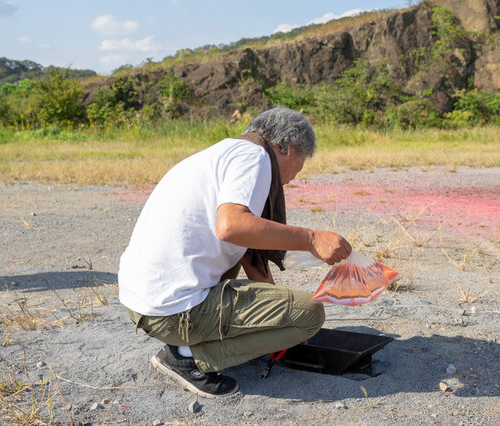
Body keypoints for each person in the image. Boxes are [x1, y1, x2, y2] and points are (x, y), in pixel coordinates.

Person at [119, 107, 351, 398]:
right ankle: (189, 357)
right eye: (300, 165)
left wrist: (279, 320)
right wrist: (311, 239)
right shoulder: (254, 158)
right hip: (171, 311)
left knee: (292, 311)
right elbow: (232, 226)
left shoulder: (222, 154)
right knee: (311, 314)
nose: (291, 180)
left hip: (140, 301)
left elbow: (247, 251)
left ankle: (185, 344)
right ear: (287, 148)